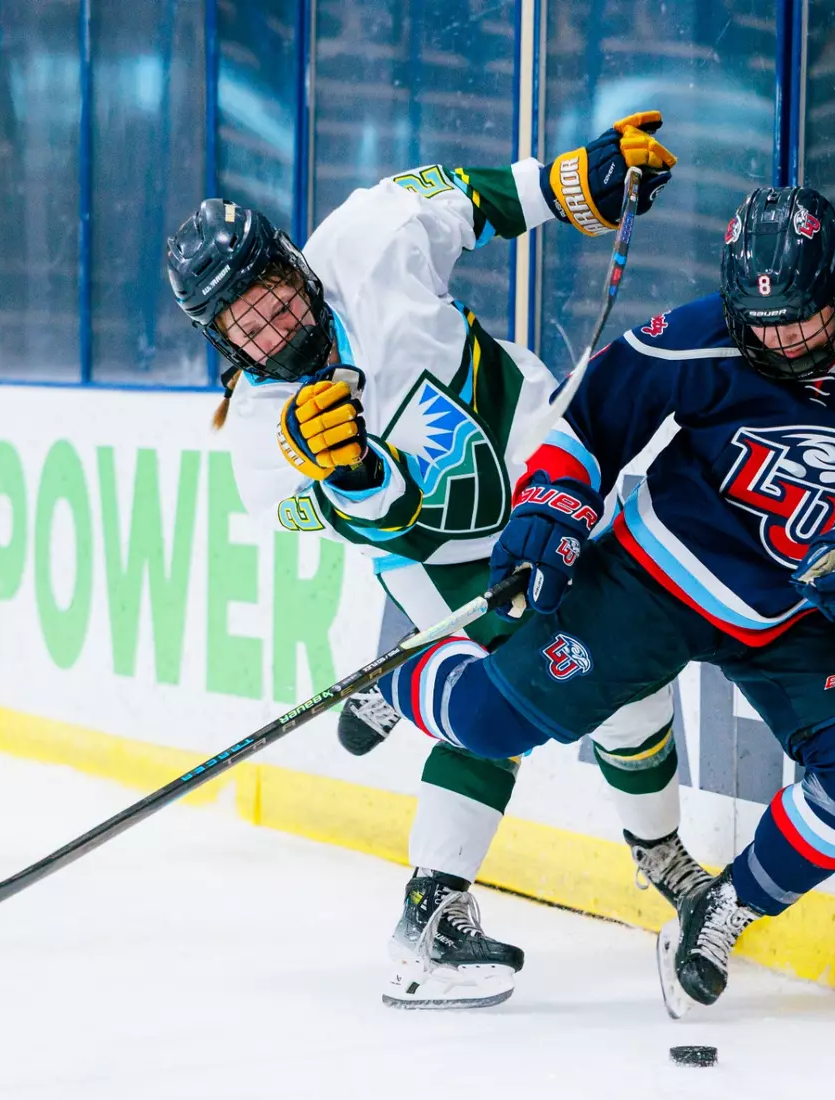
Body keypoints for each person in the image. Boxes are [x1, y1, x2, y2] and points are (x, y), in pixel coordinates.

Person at [373, 185, 835, 1011]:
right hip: (655, 578)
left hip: (799, 609)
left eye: (800, 318)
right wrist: (552, 506)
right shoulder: (698, 336)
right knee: (485, 723)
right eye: (759, 322)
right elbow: (586, 428)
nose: (779, 340)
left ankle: (724, 910)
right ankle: (395, 675)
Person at [163, 113, 713, 1009]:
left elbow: (475, 196)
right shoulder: (263, 448)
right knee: (511, 700)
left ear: (295, 263)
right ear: (226, 344)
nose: (275, 326)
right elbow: (390, 532)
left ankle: (664, 861)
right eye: (249, 327)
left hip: (548, 465)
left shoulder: (370, 234)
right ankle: (431, 911)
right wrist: (353, 471)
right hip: (447, 564)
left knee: (637, 682)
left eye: (275, 295)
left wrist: (584, 180)